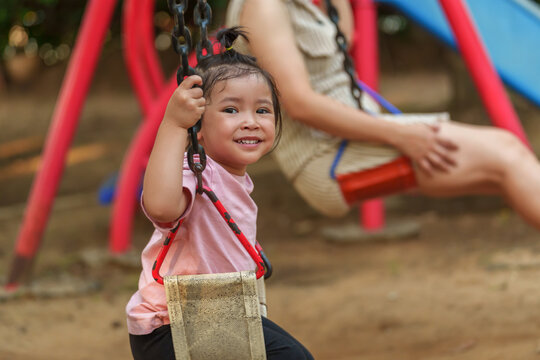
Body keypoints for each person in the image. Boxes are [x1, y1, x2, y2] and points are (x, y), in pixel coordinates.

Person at [225, 0, 540, 230]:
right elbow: (299, 103)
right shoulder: (263, 7)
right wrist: (402, 135)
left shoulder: (302, 5)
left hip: (353, 139)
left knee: (505, 166)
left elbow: (342, 39)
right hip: (327, 157)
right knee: (507, 154)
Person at [126, 28, 314, 360]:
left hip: (217, 314)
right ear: (197, 123)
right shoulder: (197, 173)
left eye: (262, 110)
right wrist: (172, 125)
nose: (250, 122)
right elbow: (161, 206)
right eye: (231, 110)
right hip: (171, 324)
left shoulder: (235, 177)